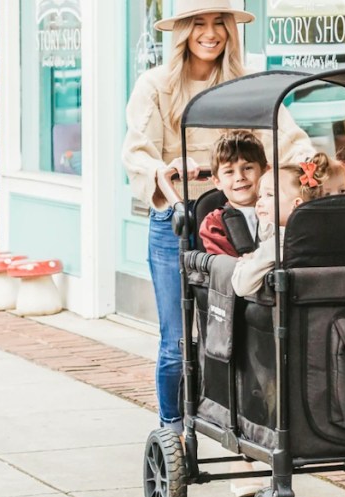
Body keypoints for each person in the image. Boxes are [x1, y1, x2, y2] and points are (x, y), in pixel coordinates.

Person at [121, 0, 313, 436]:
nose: (210, 33)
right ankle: (174, 431)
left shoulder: (245, 84)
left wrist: (311, 165)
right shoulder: (155, 86)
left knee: (239, 328)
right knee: (177, 339)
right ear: (183, 31)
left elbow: (287, 138)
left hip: (239, 220)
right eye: (199, 24)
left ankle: (241, 425)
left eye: (218, 23)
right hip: (181, 219)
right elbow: (137, 150)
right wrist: (166, 174)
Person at [232, 153, 343, 296]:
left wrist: (244, 263)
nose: (259, 203)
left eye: (269, 195)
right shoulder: (323, 235)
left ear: (296, 204)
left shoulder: (278, 244)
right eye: (260, 196)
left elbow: (241, 286)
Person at [200, 131, 269, 257]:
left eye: (248, 168)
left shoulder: (280, 210)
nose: (240, 177)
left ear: (265, 172)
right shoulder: (214, 223)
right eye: (229, 172)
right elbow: (224, 269)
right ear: (217, 182)